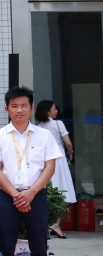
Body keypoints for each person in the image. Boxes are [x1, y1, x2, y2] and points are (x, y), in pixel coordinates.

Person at [0, 86, 63, 256]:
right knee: (6, 246)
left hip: (35, 194)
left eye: (24, 106)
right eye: (14, 106)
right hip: (7, 195)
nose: (19, 110)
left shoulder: (44, 135)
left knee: (39, 245)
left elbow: (49, 167)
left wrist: (31, 193)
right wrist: (16, 194)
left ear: (31, 108)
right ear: (6, 109)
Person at [35, 100, 77, 238]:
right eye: (54, 108)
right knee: (62, 189)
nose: (57, 111)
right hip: (58, 160)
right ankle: (55, 223)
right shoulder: (58, 124)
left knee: (47, 191)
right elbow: (68, 143)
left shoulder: (38, 127)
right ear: (48, 111)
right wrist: (70, 153)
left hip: (44, 161)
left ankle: (46, 223)